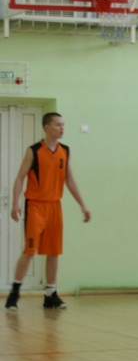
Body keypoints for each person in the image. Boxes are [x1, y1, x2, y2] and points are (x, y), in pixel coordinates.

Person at [4, 113, 90, 311]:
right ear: (47, 127)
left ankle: (50, 295)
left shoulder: (65, 151)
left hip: (55, 207)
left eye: (63, 125)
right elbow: (20, 178)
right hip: (35, 206)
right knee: (29, 250)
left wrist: (82, 205)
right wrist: (16, 203)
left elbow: (70, 180)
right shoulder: (33, 151)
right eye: (58, 125)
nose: (62, 128)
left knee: (53, 252)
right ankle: (14, 294)